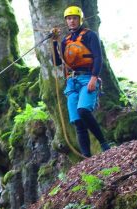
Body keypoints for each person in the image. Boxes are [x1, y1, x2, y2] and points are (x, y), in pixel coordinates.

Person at [52, 5, 110, 157]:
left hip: (87, 78)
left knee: (83, 110)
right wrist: (54, 42)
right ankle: (86, 156)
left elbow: (98, 57)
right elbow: (58, 62)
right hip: (72, 81)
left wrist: (94, 77)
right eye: (69, 19)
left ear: (80, 19)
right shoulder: (65, 41)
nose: (71, 21)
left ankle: (104, 144)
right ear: (66, 21)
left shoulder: (90, 35)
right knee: (77, 121)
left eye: (74, 18)